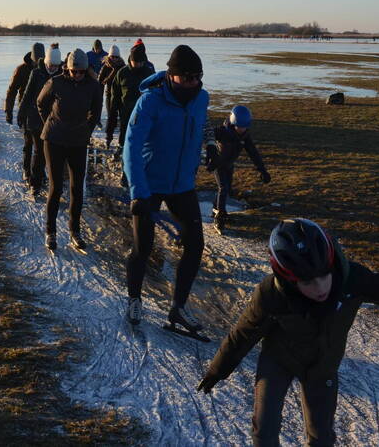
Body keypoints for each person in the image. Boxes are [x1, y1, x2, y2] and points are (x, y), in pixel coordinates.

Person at [197, 218, 379, 447]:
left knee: (321, 436)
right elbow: (244, 333)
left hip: (322, 366)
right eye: (307, 282)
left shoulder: (351, 279)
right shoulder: (271, 294)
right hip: (278, 361)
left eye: (324, 275)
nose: (320, 287)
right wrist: (217, 370)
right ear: (289, 278)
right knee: (265, 430)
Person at [123, 45, 208, 333]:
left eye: (197, 77)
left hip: (182, 184)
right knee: (142, 247)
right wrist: (137, 192)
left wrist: (209, 149)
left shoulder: (201, 98)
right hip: (150, 185)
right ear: (172, 76)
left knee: (196, 244)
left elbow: (200, 130)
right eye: (187, 78)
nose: (193, 83)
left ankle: (178, 308)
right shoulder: (150, 101)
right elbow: (131, 147)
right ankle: (134, 299)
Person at [36, 49, 102, 252]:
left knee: (77, 188)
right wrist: (51, 123)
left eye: (81, 72)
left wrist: (85, 131)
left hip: (78, 142)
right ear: (68, 69)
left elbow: (96, 112)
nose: (77, 75)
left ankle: (75, 231)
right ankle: (51, 231)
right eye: (74, 71)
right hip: (54, 140)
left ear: (86, 70)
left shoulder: (94, 86)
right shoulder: (56, 82)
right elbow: (41, 103)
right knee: (56, 188)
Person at [206, 105, 270, 235]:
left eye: (245, 127)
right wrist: (210, 157)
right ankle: (220, 217)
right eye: (240, 126)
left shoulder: (245, 136)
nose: (242, 129)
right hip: (218, 165)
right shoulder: (222, 131)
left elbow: (253, 153)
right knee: (223, 188)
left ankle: (215, 209)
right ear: (233, 122)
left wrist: (262, 170)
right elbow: (207, 138)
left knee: (227, 190)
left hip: (229, 165)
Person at [18, 47, 61, 193]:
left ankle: (42, 175)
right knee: (38, 150)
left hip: (53, 120)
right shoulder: (36, 73)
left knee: (48, 151)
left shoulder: (62, 75)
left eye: (56, 66)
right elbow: (27, 94)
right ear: (46, 62)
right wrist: (21, 113)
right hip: (35, 118)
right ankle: (35, 183)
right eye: (50, 65)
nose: (52, 68)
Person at [109, 43, 155, 152]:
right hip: (126, 114)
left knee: (143, 141)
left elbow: (155, 94)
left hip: (144, 114)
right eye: (136, 62)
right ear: (131, 60)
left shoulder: (149, 73)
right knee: (125, 138)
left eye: (141, 62)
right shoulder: (122, 73)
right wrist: (112, 117)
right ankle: (122, 150)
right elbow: (115, 97)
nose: (138, 64)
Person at [5, 43, 43, 124]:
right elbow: (12, 90)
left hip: (42, 107)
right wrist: (8, 110)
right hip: (26, 106)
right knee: (28, 131)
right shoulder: (21, 69)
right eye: (36, 61)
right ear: (32, 59)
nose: (38, 64)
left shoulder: (47, 68)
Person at [97, 45, 125, 137]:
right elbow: (100, 81)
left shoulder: (122, 66)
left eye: (116, 57)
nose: (114, 59)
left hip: (121, 94)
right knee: (111, 116)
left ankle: (121, 136)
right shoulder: (105, 66)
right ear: (109, 56)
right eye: (112, 57)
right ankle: (108, 137)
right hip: (109, 94)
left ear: (119, 57)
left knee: (122, 116)